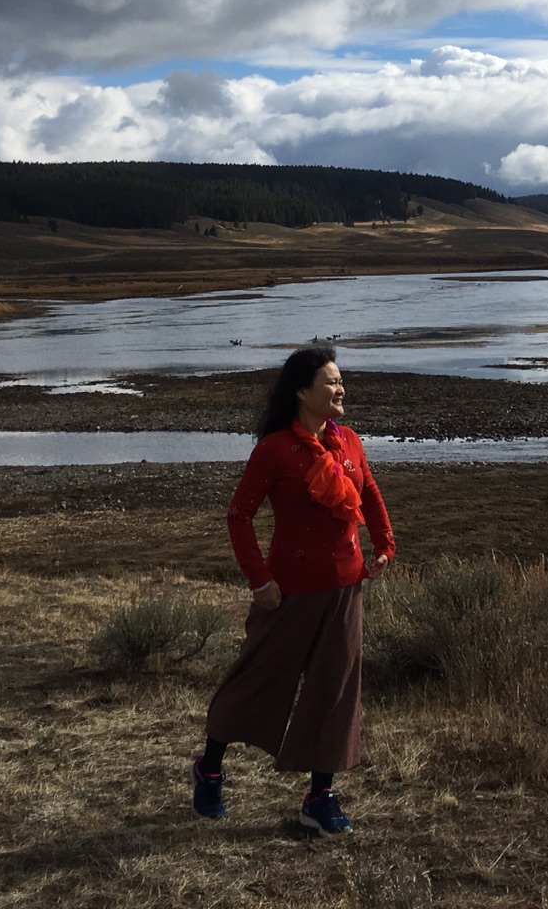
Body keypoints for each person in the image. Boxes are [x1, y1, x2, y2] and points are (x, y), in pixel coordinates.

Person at [191, 346, 394, 833]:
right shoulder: (275, 450)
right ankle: (210, 769)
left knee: (335, 692)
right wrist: (259, 579)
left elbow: (368, 491)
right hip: (288, 592)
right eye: (331, 381)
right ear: (302, 392)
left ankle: (319, 798)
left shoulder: (350, 443)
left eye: (341, 380)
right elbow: (239, 516)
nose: (341, 389)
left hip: (345, 586)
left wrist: (385, 541)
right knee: (256, 680)